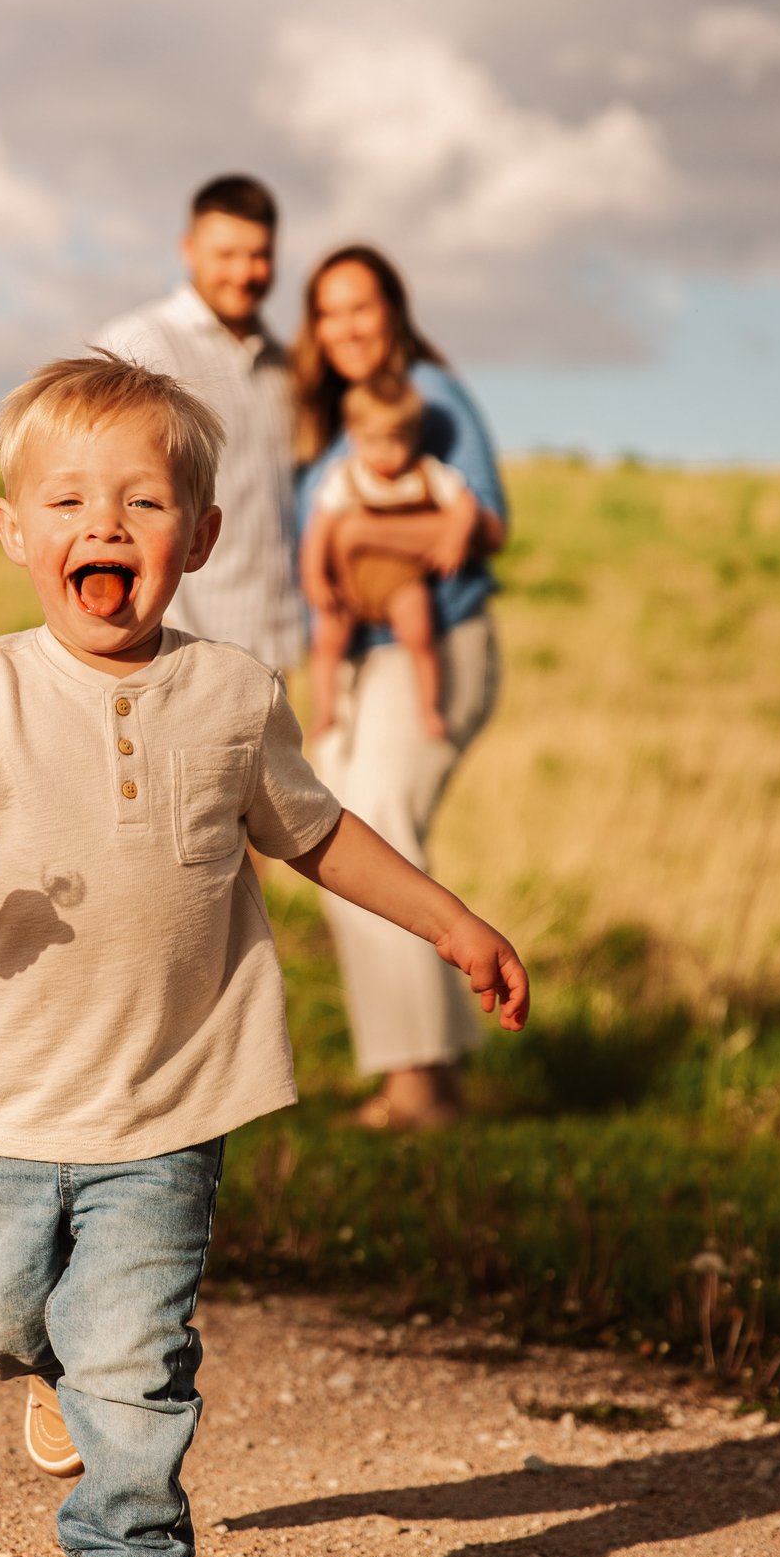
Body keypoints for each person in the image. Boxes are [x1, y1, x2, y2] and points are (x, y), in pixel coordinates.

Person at [0, 354, 528, 1557]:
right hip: (5, 1101)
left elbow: (318, 835)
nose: (104, 525)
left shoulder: (233, 694)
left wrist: (451, 924)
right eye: (69, 501)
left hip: (173, 1101)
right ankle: (49, 1373)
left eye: (143, 502)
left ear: (199, 537)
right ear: (14, 531)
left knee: (138, 1358)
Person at [293, 245, 509, 1133]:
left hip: (435, 643)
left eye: (362, 306)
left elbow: (486, 521)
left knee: (373, 824)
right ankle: (433, 1074)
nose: (346, 326)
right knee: (334, 837)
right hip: (356, 659)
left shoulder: (431, 395)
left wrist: (354, 538)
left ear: (393, 310)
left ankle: (417, 1086)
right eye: (329, 311)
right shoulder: (329, 422)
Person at [95, 174, 303, 671]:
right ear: (188, 249)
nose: (244, 272)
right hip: (175, 650)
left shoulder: (286, 367)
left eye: (259, 255)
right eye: (226, 254)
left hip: (275, 647)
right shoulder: (140, 343)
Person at [301, 371, 478, 743]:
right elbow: (318, 533)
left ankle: (429, 708)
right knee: (327, 640)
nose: (383, 452)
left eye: (395, 440)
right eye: (372, 440)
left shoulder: (426, 474)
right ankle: (326, 710)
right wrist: (316, 578)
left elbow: (465, 506)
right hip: (349, 584)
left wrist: (454, 539)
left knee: (420, 635)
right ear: (353, 436)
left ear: (415, 436)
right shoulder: (346, 477)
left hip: (402, 582)